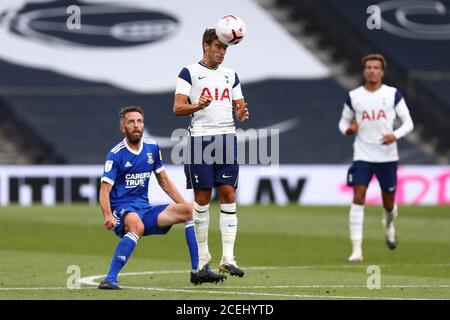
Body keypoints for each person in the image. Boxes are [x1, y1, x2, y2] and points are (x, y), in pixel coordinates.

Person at [98, 106, 223, 290]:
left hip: (145, 209)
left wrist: (184, 205)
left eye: (139, 121)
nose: (136, 126)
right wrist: (108, 215)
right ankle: (110, 279)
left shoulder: (152, 148)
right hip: (122, 209)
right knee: (136, 225)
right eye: (131, 122)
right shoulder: (116, 154)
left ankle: (199, 270)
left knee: (190, 211)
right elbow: (104, 190)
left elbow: (164, 181)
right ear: (122, 127)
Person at [173, 28, 250, 278]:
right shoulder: (189, 72)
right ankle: (202, 260)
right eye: (218, 47)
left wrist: (241, 114)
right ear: (205, 46)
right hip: (200, 140)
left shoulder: (231, 75)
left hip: (227, 138)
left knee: (228, 194)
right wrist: (198, 105)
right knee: (203, 198)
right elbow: (178, 108)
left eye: (225, 48)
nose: (222, 52)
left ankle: (228, 258)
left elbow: (239, 107)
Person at [338, 54, 414, 262]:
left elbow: (408, 123)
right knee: (358, 196)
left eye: (376, 67)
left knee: (389, 204)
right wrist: (349, 129)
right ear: (364, 71)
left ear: (382, 72)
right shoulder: (354, 96)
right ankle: (356, 250)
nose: (372, 70)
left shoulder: (392, 95)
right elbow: (343, 123)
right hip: (362, 155)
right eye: (368, 67)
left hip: (387, 157)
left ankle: (389, 224)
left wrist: (395, 135)